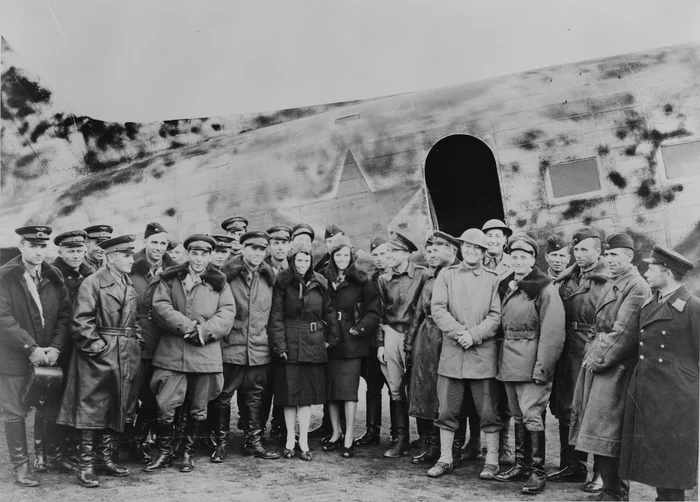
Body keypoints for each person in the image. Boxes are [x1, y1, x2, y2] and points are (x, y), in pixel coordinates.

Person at [569, 233, 651, 501]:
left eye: (615, 255)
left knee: (608, 434)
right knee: (595, 430)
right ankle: (608, 490)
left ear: (629, 257)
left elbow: (624, 334)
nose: (609, 259)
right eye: (608, 254)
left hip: (616, 369)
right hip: (599, 360)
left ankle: (616, 494)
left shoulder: (636, 286)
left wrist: (597, 359)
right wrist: (593, 352)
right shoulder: (615, 281)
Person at [56, 235, 143, 488]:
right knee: (92, 408)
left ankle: (104, 459)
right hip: (99, 354)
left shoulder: (127, 281)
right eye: (126, 255)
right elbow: (81, 321)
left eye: (131, 255)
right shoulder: (93, 282)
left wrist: (137, 340)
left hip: (125, 351)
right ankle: (85, 466)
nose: (131, 260)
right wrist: (97, 347)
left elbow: (133, 318)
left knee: (116, 404)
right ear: (111, 257)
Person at [144, 234, 236, 474]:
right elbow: (160, 306)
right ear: (187, 254)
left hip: (205, 354)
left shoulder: (219, 282)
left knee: (199, 407)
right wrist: (188, 327)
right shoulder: (170, 277)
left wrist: (204, 331)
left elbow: (227, 313)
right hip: (172, 352)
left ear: (210, 256)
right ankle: (165, 452)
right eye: (194, 253)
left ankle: (187, 452)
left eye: (204, 254)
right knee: (165, 404)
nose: (198, 259)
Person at [619, 246, 699, 502]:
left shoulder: (691, 306)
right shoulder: (652, 301)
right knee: (656, 454)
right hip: (649, 389)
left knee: (671, 457)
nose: (646, 272)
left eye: (651, 268)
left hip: (676, 394)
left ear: (666, 272)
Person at [427, 228, 503, 480]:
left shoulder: (493, 279)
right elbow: (438, 308)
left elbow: (495, 316)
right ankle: (446, 458)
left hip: (482, 356)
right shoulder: (447, 276)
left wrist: (475, 335)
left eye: (477, 248)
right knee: (447, 409)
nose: (471, 251)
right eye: (467, 246)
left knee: (489, 411)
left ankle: (491, 460)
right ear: (461, 249)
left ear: (483, 253)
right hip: (453, 353)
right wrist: (460, 332)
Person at [0, 226, 72, 487]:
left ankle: (52, 457)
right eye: (33, 246)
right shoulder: (5, 278)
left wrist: (55, 348)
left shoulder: (54, 278)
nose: (39, 251)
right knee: (14, 412)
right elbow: (3, 319)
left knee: (48, 407)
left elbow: (65, 317)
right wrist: (30, 349)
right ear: (21, 247)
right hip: (14, 358)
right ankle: (22, 467)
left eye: (43, 246)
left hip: (48, 358)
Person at [493, 234, 565, 494]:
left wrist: (543, 368)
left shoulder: (545, 289)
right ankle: (522, 465)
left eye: (524, 257)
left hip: (531, 360)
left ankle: (537, 471)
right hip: (510, 361)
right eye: (514, 256)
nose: (519, 261)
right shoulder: (508, 285)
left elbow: (553, 333)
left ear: (534, 260)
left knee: (533, 416)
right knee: (517, 415)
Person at [548, 228, 610, 493]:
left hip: (591, 347)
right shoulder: (570, 277)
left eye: (586, 249)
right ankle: (572, 464)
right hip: (567, 347)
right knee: (565, 405)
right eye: (577, 250)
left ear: (599, 251)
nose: (580, 254)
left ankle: (601, 472)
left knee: (595, 410)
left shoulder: (606, 279)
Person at [209, 231, 279, 461]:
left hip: (259, 349)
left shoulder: (270, 277)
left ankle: (254, 442)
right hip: (231, 348)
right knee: (222, 397)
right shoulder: (225, 276)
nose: (257, 254)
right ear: (243, 249)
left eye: (262, 249)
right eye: (253, 249)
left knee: (254, 397)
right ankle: (220, 443)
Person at [269, 242, 340, 461]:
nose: (302, 264)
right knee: (290, 395)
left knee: (306, 396)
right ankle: (291, 439)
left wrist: (331, 337)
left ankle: (304, 442)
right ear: (292, 261)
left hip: (313, 342)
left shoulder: (320, 282)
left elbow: (328, 311)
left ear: (311, 262)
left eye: (306, 260)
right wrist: (279, 345)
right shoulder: (282, 282)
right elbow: (276, 316)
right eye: (298, 260)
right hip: (290, 342)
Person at [321, 235, 380, 457]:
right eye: (338, 255)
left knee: (348, 392)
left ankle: (348, 437)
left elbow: (374, 311)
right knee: (331, 392)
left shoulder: (362, 281)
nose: (342, 259)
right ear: (332, 257)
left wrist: (359, 328)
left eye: (346, 255)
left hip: (352, 345)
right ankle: (336, 433)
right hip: (329, 343)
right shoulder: (324, 279)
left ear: (352, 257)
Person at [404, 231, 459, 465]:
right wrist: (409, 345)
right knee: (427, 393)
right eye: (429, 250)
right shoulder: (431, 278)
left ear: (452, 251)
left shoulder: (458, 276)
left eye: (436, 250)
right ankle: (433, 445)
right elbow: (418, 312)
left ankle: (454, 449)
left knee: (447, 396)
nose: (430, 254)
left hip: (447, 339)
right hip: (426, 340)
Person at [376, 232, 431, 458]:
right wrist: (380, 344)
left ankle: (426, 439)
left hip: (417, 335)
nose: (389, 255)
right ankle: (401, 440)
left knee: (419, 387)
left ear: (407, 254)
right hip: (391, 334)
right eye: (388, 251)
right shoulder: (383, 279)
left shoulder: (423, 275)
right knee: (395, 389)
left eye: (394, 251)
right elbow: (379, 314)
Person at [127, 222, 177, 464]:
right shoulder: (131, 267)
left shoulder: (174, 269)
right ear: (145, 242)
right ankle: (125, 442)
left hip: (162, 341)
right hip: (134, 340)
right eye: (154, 242)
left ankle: (137, 441)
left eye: (163, 243)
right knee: (129, 395)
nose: (158, 247)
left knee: (153, 396)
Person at [481, 218, 515, 466]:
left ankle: (504, 447)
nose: (493, 240)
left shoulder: (514, 265)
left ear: (505, 240)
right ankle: (482, 445)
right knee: (486, 394)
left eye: (497, 236)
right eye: (489, 236)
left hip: (505, 337)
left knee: (504, 396)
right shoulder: (474, 262)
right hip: (484, 336)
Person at [354, 236, 391, 447]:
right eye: (375, 255)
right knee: (372, 386)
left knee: (396, 389)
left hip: (391, 340)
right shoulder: (369, 281)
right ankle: (372, 431)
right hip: (372, 343)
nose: (379, 259)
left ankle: (398, 434)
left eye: (384, 254)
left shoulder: (395, 279)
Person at [259, 225, 293, 442]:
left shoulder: (296, 270)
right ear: (269, 246)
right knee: (262, 386)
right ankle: (257, 429)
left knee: (284, 383)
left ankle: (279, 427)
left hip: (286, 336)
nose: (280, 248)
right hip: (262, 336)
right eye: (275, 243)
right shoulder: (261, 269)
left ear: (289, 245)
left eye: (283, 243)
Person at [52, 230, 91, 301]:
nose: (76, 256)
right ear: (60, 253)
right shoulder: (53, 275)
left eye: (79, 251)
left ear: (84, 252)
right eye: (71, 251)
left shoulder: (89, 274)